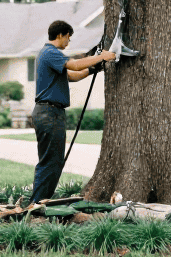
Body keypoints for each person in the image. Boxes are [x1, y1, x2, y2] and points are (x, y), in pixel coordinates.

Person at [30, 19, 115, 204]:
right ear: (60, 35)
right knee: (50, 162)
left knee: (54, 162)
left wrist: (94, 69)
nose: (69, 42)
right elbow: (75, 65)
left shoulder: (50, 56)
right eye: (68, 37)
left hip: (51, 113)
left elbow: (73, 75)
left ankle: (41, 201)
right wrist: (102, 56)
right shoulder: (50, 52)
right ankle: (36, 204)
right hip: (48, 113)